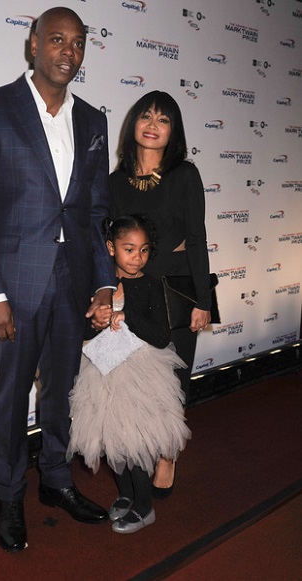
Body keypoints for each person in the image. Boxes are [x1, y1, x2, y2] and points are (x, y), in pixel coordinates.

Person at [0, 7, 117, 552]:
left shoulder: (93, 121)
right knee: (8, 398)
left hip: (73, 286)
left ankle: (56, 480)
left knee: (62, 393)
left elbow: (96, 213)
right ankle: (7, 493)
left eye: (77, 43)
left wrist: (103, 282)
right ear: (33, 45)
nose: (67, 52)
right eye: (56, 40)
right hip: (15, 289)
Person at [109, 91, 211, 498]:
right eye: (146, 116)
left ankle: (167, 454)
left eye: (163, 119)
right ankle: (139, 445)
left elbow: (198, 240)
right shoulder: (116, 182)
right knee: (138, 380)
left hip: (179, 293)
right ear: (133, 123)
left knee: (174, 379)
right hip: (131, 293)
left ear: (174, 130)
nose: (153, 124)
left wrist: (203, 300)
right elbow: (110, 240)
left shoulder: (185, 175)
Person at [67, 215, 190, 534]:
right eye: (129, 249)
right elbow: (82, 330)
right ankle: (126, 494)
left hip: (140, 374)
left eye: (144, 250)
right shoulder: (97, 286)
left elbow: (162, 336)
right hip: (102, 372)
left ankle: (145, 506)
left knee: (134, 443)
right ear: (110, 248)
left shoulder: (150, 284)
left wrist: (128, 314)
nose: (137, 257)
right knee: (111, 441)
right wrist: (97, 321)